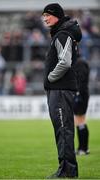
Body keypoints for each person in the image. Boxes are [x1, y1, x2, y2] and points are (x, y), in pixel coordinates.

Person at [42, 3, 82, 178]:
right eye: (43, 15)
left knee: (64, 130)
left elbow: (65, 62)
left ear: (57, 15)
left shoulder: (62, 35)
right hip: (58, 90)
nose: (45, 18)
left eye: (48, 15)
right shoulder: (61, 34)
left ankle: (67, 170)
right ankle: (66, 168)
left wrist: (50, 77)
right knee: (62, 129)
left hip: (60, 89)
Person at [73, 57, 90, 155]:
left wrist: (78, 93)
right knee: (80, 121)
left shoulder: (80, 63)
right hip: (81, 95)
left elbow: (82, 80)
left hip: (81, 96)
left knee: (80, 121)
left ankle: (83, 148)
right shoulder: (80, 62)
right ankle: (82, 147)